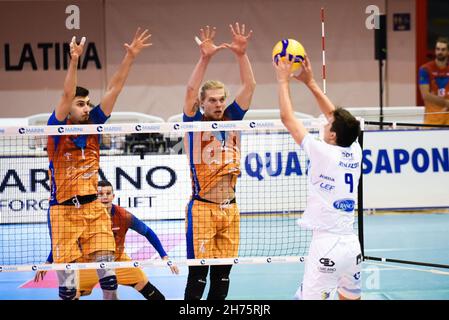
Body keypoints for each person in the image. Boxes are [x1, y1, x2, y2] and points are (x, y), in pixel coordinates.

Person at [46, 28, 151, 300]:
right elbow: (66, 93)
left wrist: (130, 57)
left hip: (94, 209)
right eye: (80, 104)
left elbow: (114, 88)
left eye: (87, 104)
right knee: (68, 291)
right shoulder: (56, 130)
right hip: (63, 214)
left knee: (109, 278)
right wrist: (74, 60)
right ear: (68, 108)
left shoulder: (94, 126)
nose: (85, 108)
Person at [273, 55, 362, 300]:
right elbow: (339, 118)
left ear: (333, 135)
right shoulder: (355, 149)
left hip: (327, 247)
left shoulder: (322, 152)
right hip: (351, 245)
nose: (325, 122)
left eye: (328, 124)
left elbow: (287, 119)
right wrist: (310, 83)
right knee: (351, 298)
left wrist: (283, 81)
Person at [182, 23, 256, 300]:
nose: (219, 104)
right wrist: (205, 58)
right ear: (202, 104)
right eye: (212, 100)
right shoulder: (193, 124)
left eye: (221, 99)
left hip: (231, 210)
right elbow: (190, 90)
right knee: (198, 277)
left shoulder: (233, 118)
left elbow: (250, 85)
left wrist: (241, 54)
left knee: (223, 277)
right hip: (202, 209)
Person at [35, 180, 179, 300]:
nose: (104, 197)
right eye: (100, 194)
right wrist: (48, 261)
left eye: (108, 194)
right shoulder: (82, 216)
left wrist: (164, 255)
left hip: (118, 261)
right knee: (71, 294)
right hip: (87, 263)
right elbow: (65, 242)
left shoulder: (123, 216)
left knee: (144, 284)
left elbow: (148, 232)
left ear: (113, 196)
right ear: (93, 197)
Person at [418, 36, 449, 125]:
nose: (440, 52)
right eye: (438, 49)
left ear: (448, 52)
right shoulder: (425, 69)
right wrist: (446, 103)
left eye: (443, 50)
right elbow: (425, 95)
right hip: (432, 120)